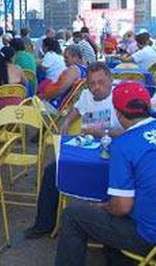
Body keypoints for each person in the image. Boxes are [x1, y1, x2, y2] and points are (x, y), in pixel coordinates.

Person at [55, 81, 156, 266]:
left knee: (73, 215)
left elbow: (121, 207)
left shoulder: (124, 145)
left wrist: (101, 207)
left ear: (117, 112)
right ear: (149, 105)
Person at [24, 62, 122, 239]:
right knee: (52, 171)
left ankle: (105, 227)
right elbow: (77, 109)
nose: (97, 87)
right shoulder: (86, 95)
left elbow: (128, 131)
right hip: (87, 148)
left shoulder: (119, 98)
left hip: (113, 153)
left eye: (101, 82)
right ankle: (44, 224)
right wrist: (68, 121)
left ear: (110, 79)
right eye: (92, 83)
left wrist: (100, 132)